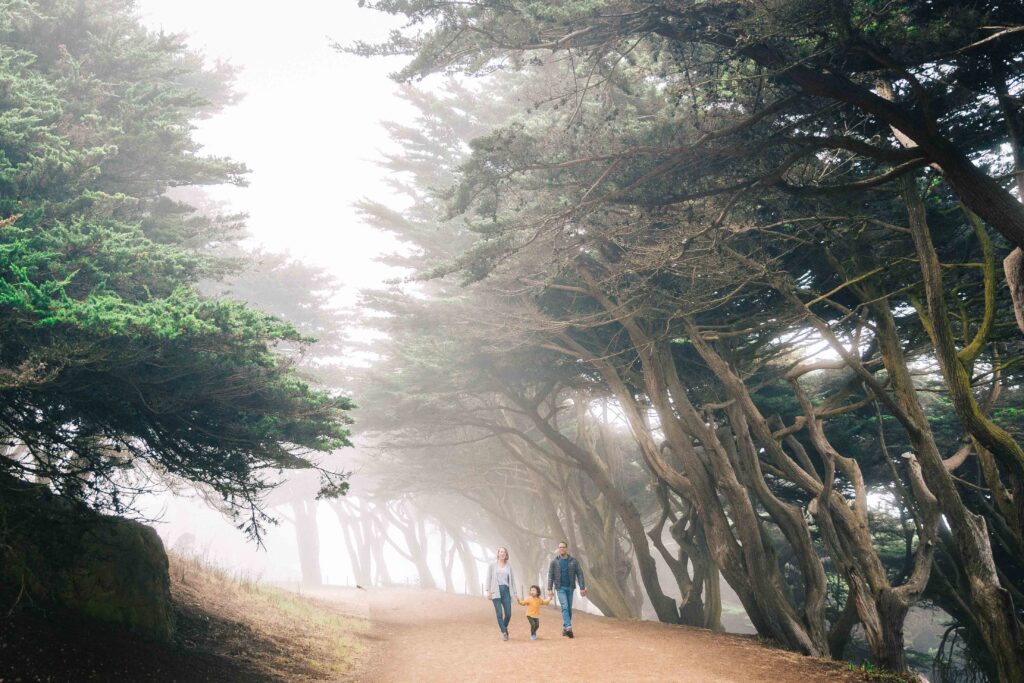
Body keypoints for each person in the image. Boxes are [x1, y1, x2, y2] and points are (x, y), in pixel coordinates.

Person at [546, 540, 587, 638]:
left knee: (568, 609)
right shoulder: (554, 562)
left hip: (570, 587)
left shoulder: (573, 561)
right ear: (558, 549)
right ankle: (569, 627)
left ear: (566, 549)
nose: (562, 549)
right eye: (560, 547)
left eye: (563, 547)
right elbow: (550, 576)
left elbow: (580, 574)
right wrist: (549, 589)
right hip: (560, 588)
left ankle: (565, 628)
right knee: (564, 606)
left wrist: (582, 587)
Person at [485, 546, 519, 641]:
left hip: (506, 591)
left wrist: (515, 593)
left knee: (508, 614)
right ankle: (504, 632)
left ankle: (504, 627)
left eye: (504, 552)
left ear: (506, 554)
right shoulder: (492, 565)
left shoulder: (509, 566)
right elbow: (488, 578)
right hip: (495, 590)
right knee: (499, 613)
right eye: (500, 552)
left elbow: (512, 580)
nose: (502, 553)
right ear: (498, 554)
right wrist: (488, 591)